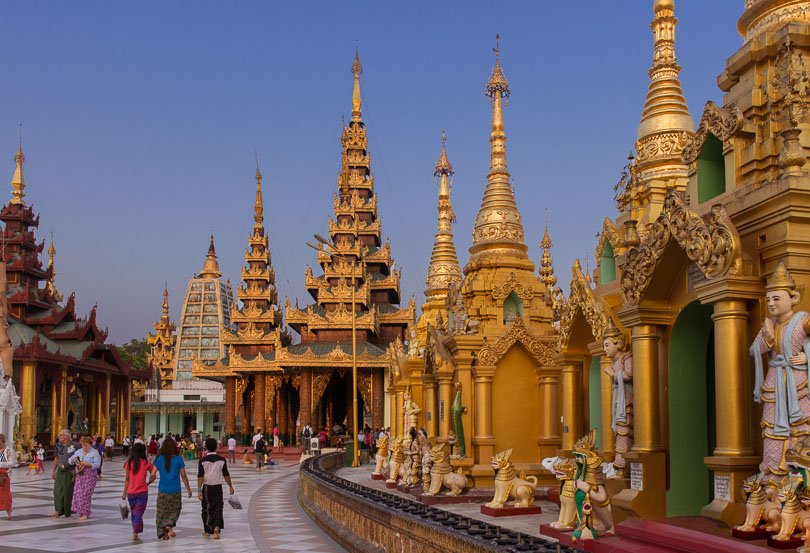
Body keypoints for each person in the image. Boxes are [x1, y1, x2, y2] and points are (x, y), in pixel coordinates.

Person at [750, 260, 810, 479]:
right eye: (768, 300)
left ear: (793, 298)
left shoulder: (803, 320)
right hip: (775, 382)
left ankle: (801, 477)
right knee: (773, 431)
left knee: (802, 427)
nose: (771, 304)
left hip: (798, 381)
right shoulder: (769, 324)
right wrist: (767, 336)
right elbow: (753, 350)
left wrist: (807, 357)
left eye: (776, 298)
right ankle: (774, 476)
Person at [151, 437, 192, 540]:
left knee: (161, 512)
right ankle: (169, 525)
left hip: (163, 490)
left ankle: (164, 533)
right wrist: (188, 489)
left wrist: (149, 481)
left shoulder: (159, 459)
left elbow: (152, 474)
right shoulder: (178, 459)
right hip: (175, 490)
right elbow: (183, 475)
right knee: (175, 509)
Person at [198, 437, 235, 540]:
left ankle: (207, 530)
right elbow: (226, 474)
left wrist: (198, 490)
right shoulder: (221, 460)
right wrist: (230, 486)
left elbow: (200, 476)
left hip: (206, 487)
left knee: (206, 508)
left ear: (206, 448)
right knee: (218, 507)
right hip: (218, 487)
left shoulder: (202, 461)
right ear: (216, 447)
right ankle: (216, 527)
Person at [121, 443, 153, 542]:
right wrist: (148, 483)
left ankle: (136, 530)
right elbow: (154, 475)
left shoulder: (128, 463)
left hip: (131, 492)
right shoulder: (146, 462)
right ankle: (136, 531)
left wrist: (124, 493)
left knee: (135, 512)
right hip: (142, 491)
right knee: (137, 513)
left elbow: (127, 479)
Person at [68, 436, 102, 522]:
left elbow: (97, 464)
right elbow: (70, 460)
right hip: (80, 474)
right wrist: (73, 460)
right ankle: (81, 511)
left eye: (86, 445)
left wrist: (89, 464)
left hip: (90, 476)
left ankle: (85, 512)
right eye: (83, 445)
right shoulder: (79, 452)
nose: (84, 447)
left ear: (90, 444)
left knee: (86, 494)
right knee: (79, 493)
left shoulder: (95, 452)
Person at [50, 429, 80, 518]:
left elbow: (79, 459)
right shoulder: (59, 445)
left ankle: (67, 511)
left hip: (70, 471)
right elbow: (56, 458)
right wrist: (53, 471)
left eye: (61, 435)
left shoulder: (75, 445)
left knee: (68, 491)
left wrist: (76, 472)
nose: (58, 436)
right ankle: (58, 511)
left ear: (66, 436)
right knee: (57, 491)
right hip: (60, 470)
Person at [0, 434, 14, 520]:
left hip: (4, 475)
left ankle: (8, 509)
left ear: (3, 442)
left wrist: (0, 464)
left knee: (5, 494)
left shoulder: (9, 451)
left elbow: (12, 463)